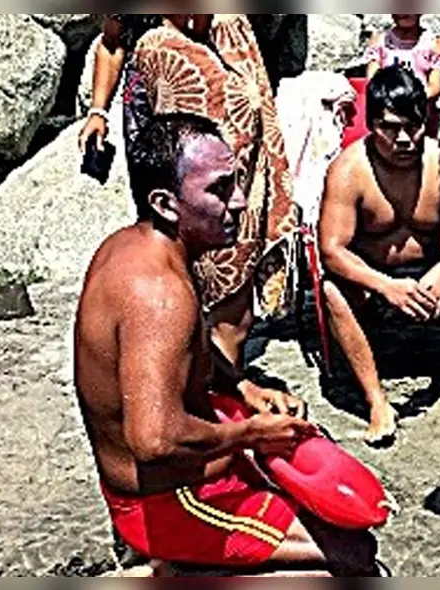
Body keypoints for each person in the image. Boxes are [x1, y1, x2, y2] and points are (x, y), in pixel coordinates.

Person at [74, 112, 381, 576]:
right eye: (219, 190)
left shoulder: (136, 244)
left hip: (179, 477)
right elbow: (153, 439)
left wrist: (241, 388)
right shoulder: (158, 293)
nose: (239, 202)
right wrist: (248, 434)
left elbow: (185, 350)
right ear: (165, 203)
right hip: (168, 501)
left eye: (236, 182)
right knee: (356, 558)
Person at [78, 14, 298, 407]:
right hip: (168, 145)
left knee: (234, 303)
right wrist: (98, 110)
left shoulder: (227, 21)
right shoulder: (145, 32)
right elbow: (111, 44)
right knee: (179, 267)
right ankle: (191, 397)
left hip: (234, 162)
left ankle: (216, 392)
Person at [318, 66, 440, 447]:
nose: (404, 139)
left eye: (414, 126)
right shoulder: (348, 169)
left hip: (431, 273)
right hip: (373, 278)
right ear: (372, 123)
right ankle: (378, 402)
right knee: (332, 291)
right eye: (390, 128)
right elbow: (332, 250)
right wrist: (386, 286)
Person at [365, 14, 440, 137]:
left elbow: (434, 86)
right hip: (388, 115)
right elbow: (373, 80)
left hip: (420, 116)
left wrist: (409, 102)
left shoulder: (433, 43)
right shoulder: (380, 41)